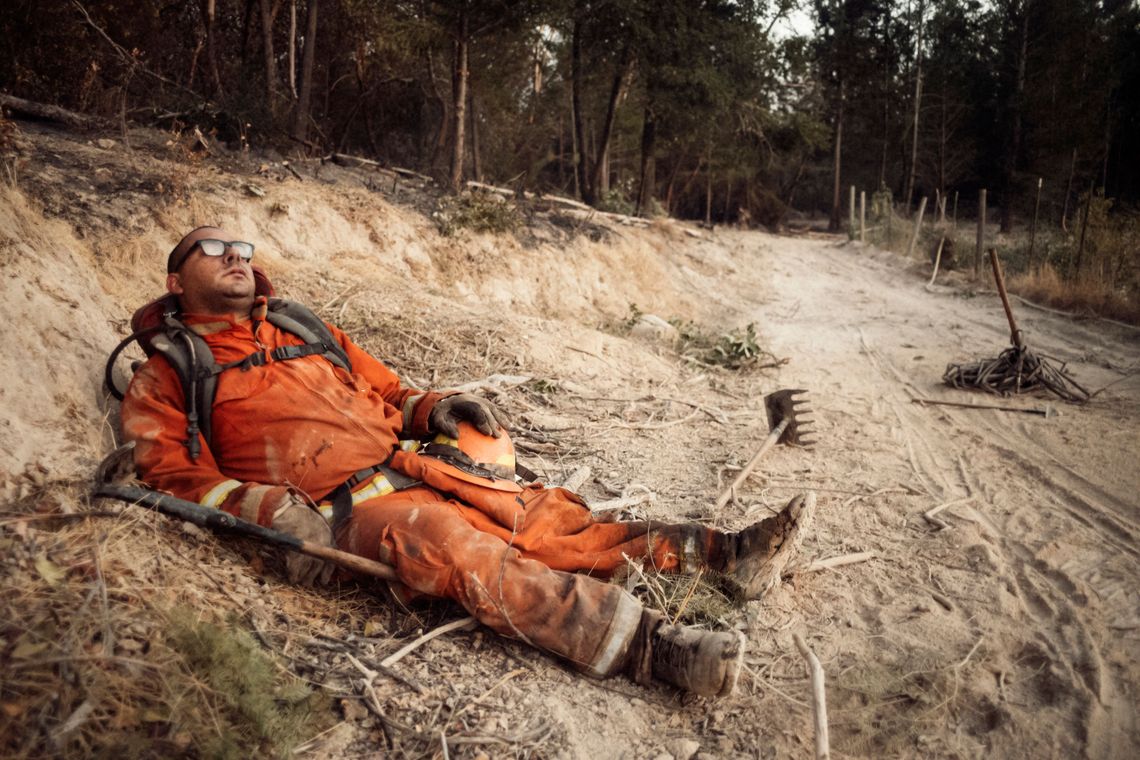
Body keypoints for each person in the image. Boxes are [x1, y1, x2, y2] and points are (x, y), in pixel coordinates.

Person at [120, 226, 812, 698]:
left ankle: (727, 556)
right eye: (210, 248)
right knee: (455, 550)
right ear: (177, 280)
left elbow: (391, 390)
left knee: (545, 520)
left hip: (415, 465)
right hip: (349, 510)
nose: (234, 255)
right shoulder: (173, 371)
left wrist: (438, 408)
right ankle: (657, 651)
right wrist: (264, 510)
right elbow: (173, 474)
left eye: (240, 245)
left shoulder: (306, 327)